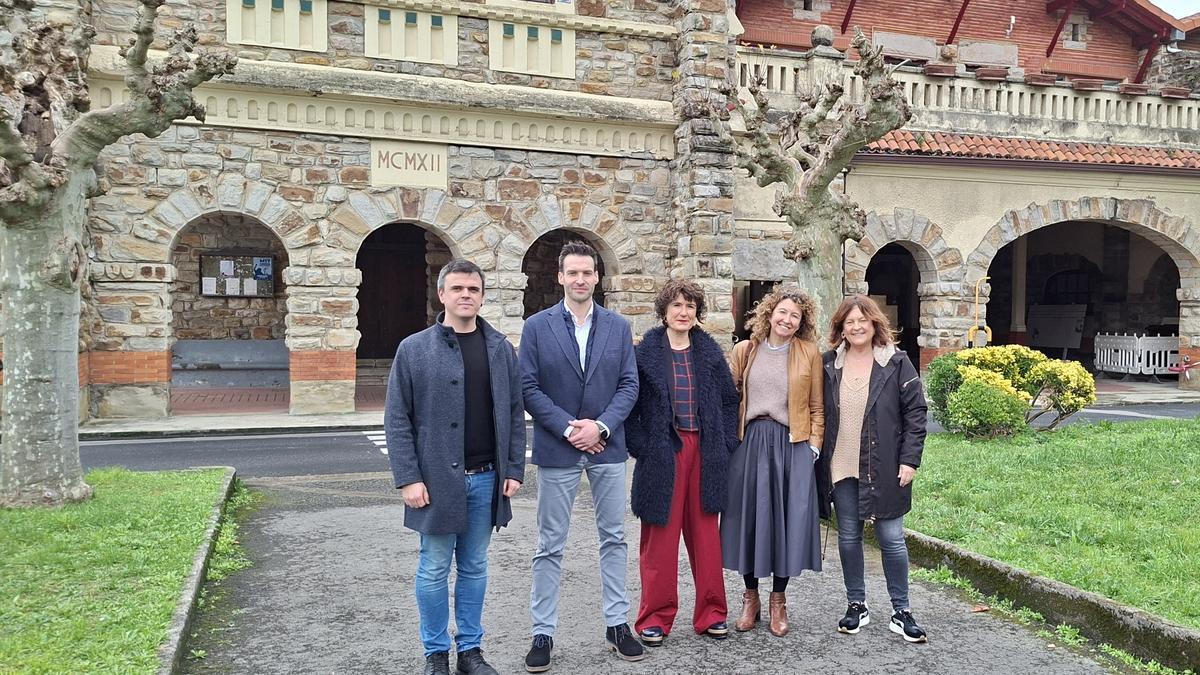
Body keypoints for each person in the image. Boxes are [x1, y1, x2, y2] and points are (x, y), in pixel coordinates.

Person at [384, 259, 527, 675]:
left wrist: (513, 469)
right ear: (442, 294)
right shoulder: (413, 349)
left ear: (482, 297)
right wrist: (408, 477)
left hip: (486, 478)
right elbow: (397, 418)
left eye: (474, 290)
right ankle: (435, 654)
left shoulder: (500, 348)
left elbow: (514, 413)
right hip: (434, 481)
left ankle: (470, 651)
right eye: (458, 288)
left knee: (475, 566)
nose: (466, 295)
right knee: (432, 567)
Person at [520, 240, 643, 672]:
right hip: (559, 446)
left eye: (587, 273)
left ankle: (617, 625)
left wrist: (601, 426)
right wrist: (571, 427)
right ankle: (543, 632)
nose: (580, 279)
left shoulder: (617, 325)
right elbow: (529, 387)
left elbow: (629, 384)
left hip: (608, 447)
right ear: (560, 277)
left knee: (614, 538)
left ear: (597, 277)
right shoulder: (536, 327)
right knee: (549, 545)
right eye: (572, 273)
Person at [626, 279, 740, 646]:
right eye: (676, 305)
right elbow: (630, 404)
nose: (683, 312)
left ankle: (712, 613)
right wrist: (642, 445)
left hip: (705, 452)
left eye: (690, 306)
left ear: (697, 313)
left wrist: (724, 442)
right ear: (664, 310)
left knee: (706, 537)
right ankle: (654, 618)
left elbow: (727, 399)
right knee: (659, 538)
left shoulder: (708, 353)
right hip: (663, 452)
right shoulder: (645, 354)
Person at [816, 294, 928, 643]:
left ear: (875, 323)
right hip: (842, 465)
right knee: (848, 537)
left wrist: (910, 459)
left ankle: (901, 610)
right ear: (841, 328)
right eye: (849, 322)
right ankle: (857, 605)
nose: (857, 326)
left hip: (885, 466)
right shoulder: (828, 364)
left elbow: (916, 414)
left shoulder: (896, 363)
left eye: (862, 320)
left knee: (891, 539)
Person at [721, 285, 824, 638]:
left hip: (791, 443)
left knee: (786, 521)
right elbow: (727, 396)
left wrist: (813, 446)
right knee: (746, 519)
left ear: (802, 322)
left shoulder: (809, 353)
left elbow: (816, 406)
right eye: (782, 312)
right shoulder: (745, 350)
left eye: (795, 315)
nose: (787, 319)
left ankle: (778, 599)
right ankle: (750, 598)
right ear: (769, 313)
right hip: (749, 442)